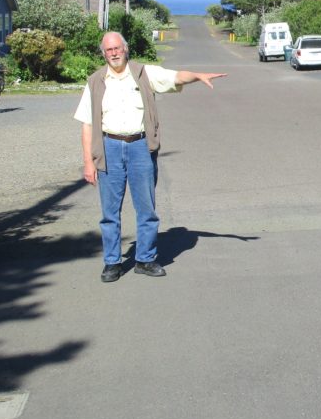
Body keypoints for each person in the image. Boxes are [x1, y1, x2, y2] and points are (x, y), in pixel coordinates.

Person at [74, 31, 227, 283]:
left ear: (126, 49)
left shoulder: (144, 73)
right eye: (108, 50)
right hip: (109, 148)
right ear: (103, 53)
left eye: (117, 48)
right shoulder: (94, 82)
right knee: (109, 212)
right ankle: (112, 263)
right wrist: (88, 162)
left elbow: (175, 76)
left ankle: (145, 259)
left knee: (146, 208)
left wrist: (197, 76)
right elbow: (87, 125)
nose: (113, 53)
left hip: (140, 147)